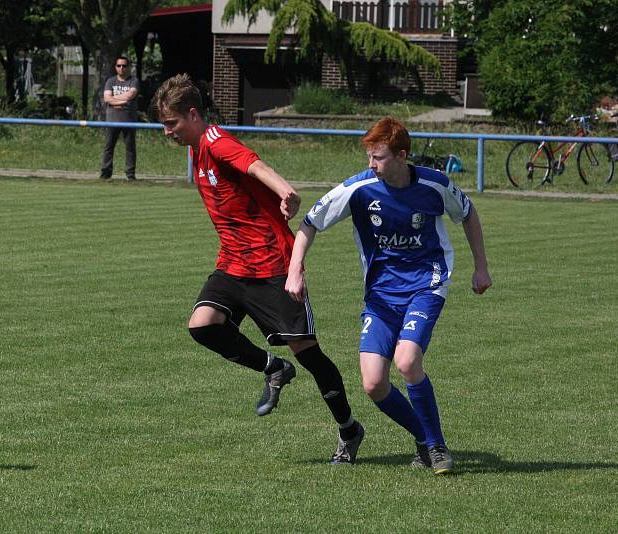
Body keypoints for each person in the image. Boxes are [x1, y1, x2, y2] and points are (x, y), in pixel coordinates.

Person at [151, 74, 365, 464]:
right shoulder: (197, 149)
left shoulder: (215, 141)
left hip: (272, 266)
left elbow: (252, 164)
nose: (167, 132)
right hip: (233, 263)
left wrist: (285, 190)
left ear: (193, 115)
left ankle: (349, 429)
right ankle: (273, 368)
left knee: (310, 354)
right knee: (202, 325)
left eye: (171, 123)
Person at [285, 117, 492, 475]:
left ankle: (437, 445)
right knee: (373, 382)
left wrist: (481, 267)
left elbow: (468, 214)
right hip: (380, 294)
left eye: (377, 157)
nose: (371, 164)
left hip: (426, 283)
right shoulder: (359, 189)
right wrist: (295, 268)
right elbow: (310, 223)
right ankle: (424, 440)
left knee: (408, 361)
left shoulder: (434, 184)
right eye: (369, 156)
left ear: (401, 155)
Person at [101, 56, 139, 180]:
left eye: (124, 66)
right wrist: (121, 101)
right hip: (112, 121)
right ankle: (106, 173)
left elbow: (131, 95)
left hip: (129, 121)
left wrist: (114, 100)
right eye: (119, 66)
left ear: (128, 67)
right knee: (108, 147)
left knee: (130, 148)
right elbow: (106, 98)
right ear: (115, 67)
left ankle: (130, 174)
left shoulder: (133, 81)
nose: (121, 68)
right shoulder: (110, 81)